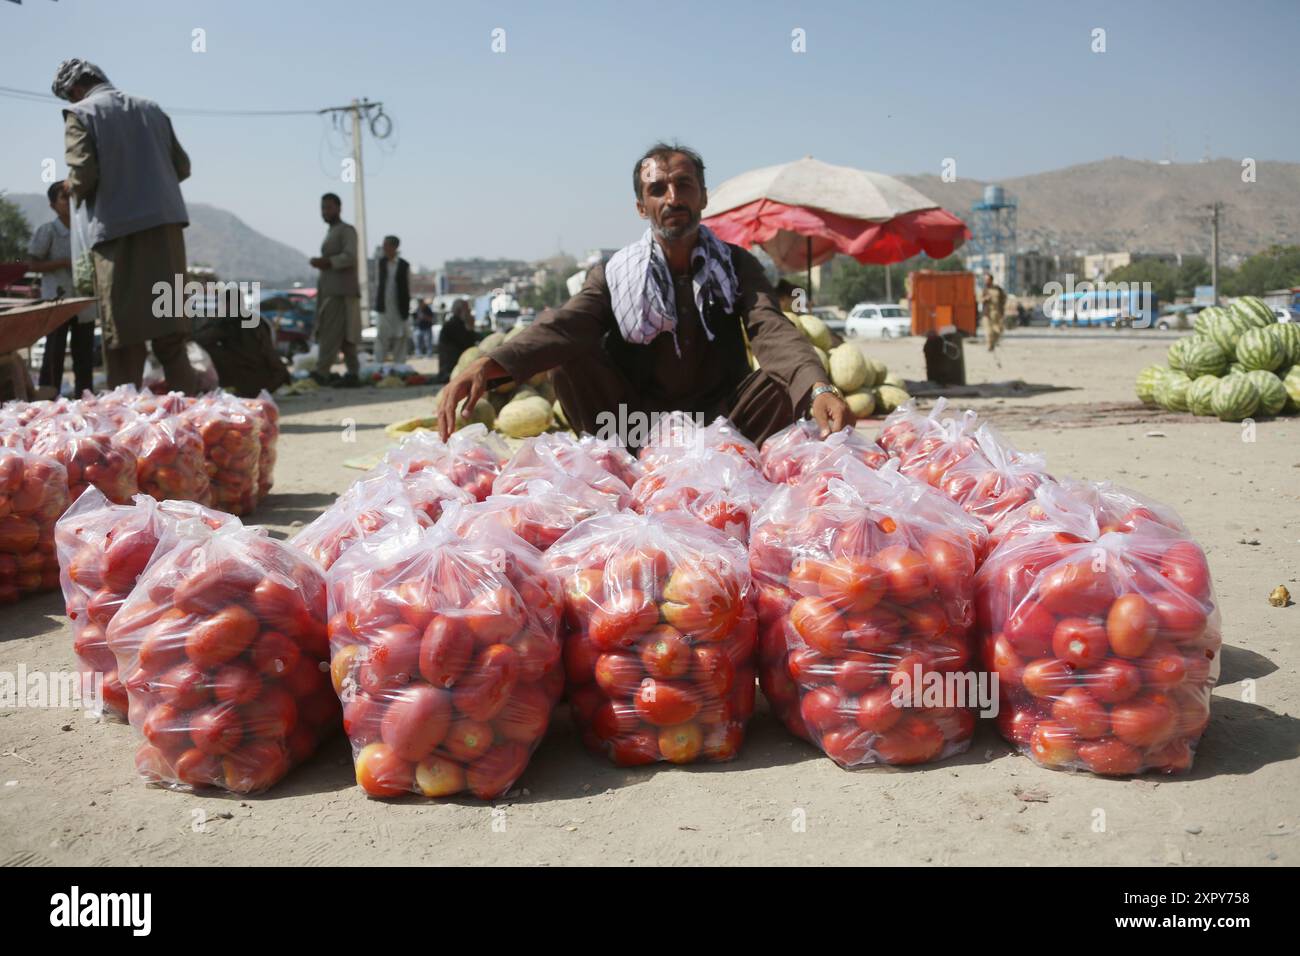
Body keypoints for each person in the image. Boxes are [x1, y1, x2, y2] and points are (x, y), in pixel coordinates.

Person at [436, 142, 851, 445]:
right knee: (568, 354)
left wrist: (818, 387)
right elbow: (566, 325)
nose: (673, 199)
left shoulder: (737, 265)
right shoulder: (613, 273)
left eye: (684, 186)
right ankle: (616, 459)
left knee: (784, 377)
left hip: (724, 424)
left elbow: (770, 327)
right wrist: (489, 365)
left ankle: (732, 455)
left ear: (703, 197)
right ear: (641, 206)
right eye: (658, 190)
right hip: (633, 427)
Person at [53, 58, 199, 393]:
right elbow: (183, 166)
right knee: (171, 336)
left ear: (75, 89)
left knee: (125, 341)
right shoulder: (151, 108)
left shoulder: (81, 114)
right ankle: (194, 424)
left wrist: (69, 187)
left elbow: (84, 176)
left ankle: (127, 429)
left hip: (118, 235)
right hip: (167, 232)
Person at [26, 180, 94, 397]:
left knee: (84, 352)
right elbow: (32, 263)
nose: (68, 202)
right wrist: (63, 263)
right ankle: (48, 397)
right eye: (64, 198)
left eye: (71, 197)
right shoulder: (48, 231)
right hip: (57, 300)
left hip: (82, 302)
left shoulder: (85, 231)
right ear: (53, 205)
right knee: (53, 351)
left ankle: (85, 398)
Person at [308, 193, 361, 387]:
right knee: (340, 335)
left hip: (340, 293)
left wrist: (327, 262)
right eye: (323, 208)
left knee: (337, 335)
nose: (325, 212)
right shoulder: (332, 232)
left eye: (329, 207)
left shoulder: (346, 231)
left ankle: (323, 372)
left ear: (339, 208)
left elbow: (350, 256)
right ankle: (352, 373)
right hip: (331, 291)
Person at [373, 235, 410, 364]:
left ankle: (400, 366)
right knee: (381, 337)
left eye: (387, 245)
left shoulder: (404, 265)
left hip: (399, 308)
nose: (384, 248)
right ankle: (378, 365)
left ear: (394, 247)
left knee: (400, 337)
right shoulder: (380, 263)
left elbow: (407, 287)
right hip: (384, 308)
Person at [435, 298, 478, 384]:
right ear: (459, 311)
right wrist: (470, 326)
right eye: (468, 310)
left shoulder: (456, 325)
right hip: (450, 371)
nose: (470, 313)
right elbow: (468, 345)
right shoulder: (452, 326)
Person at [980, 272, 1007, 351]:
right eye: (985, 280)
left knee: (998, 330)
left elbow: (1004, 298)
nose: (986, 281)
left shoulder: (998, 289)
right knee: (988, 331)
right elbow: (979, 299)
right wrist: (985, 299)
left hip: (997, 313)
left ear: (991, 280)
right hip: (987, 313)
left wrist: (1002, 307)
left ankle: (993, 343)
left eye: (987, 279)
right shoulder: (984, 290)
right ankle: (989, 346)